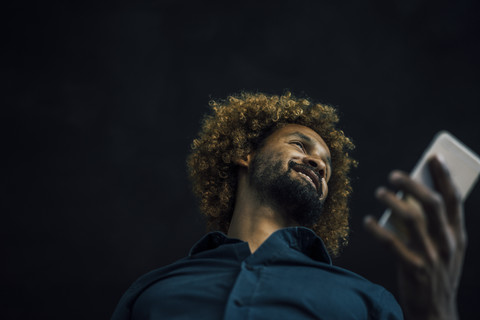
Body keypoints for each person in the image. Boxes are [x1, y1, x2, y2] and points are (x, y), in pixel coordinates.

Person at [111, 92, 466, 320]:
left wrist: (436, 312)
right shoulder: (150, 292)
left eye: (325, 165)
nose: (319, 164)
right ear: (244, 154)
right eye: (300, 145)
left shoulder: (369, 301)